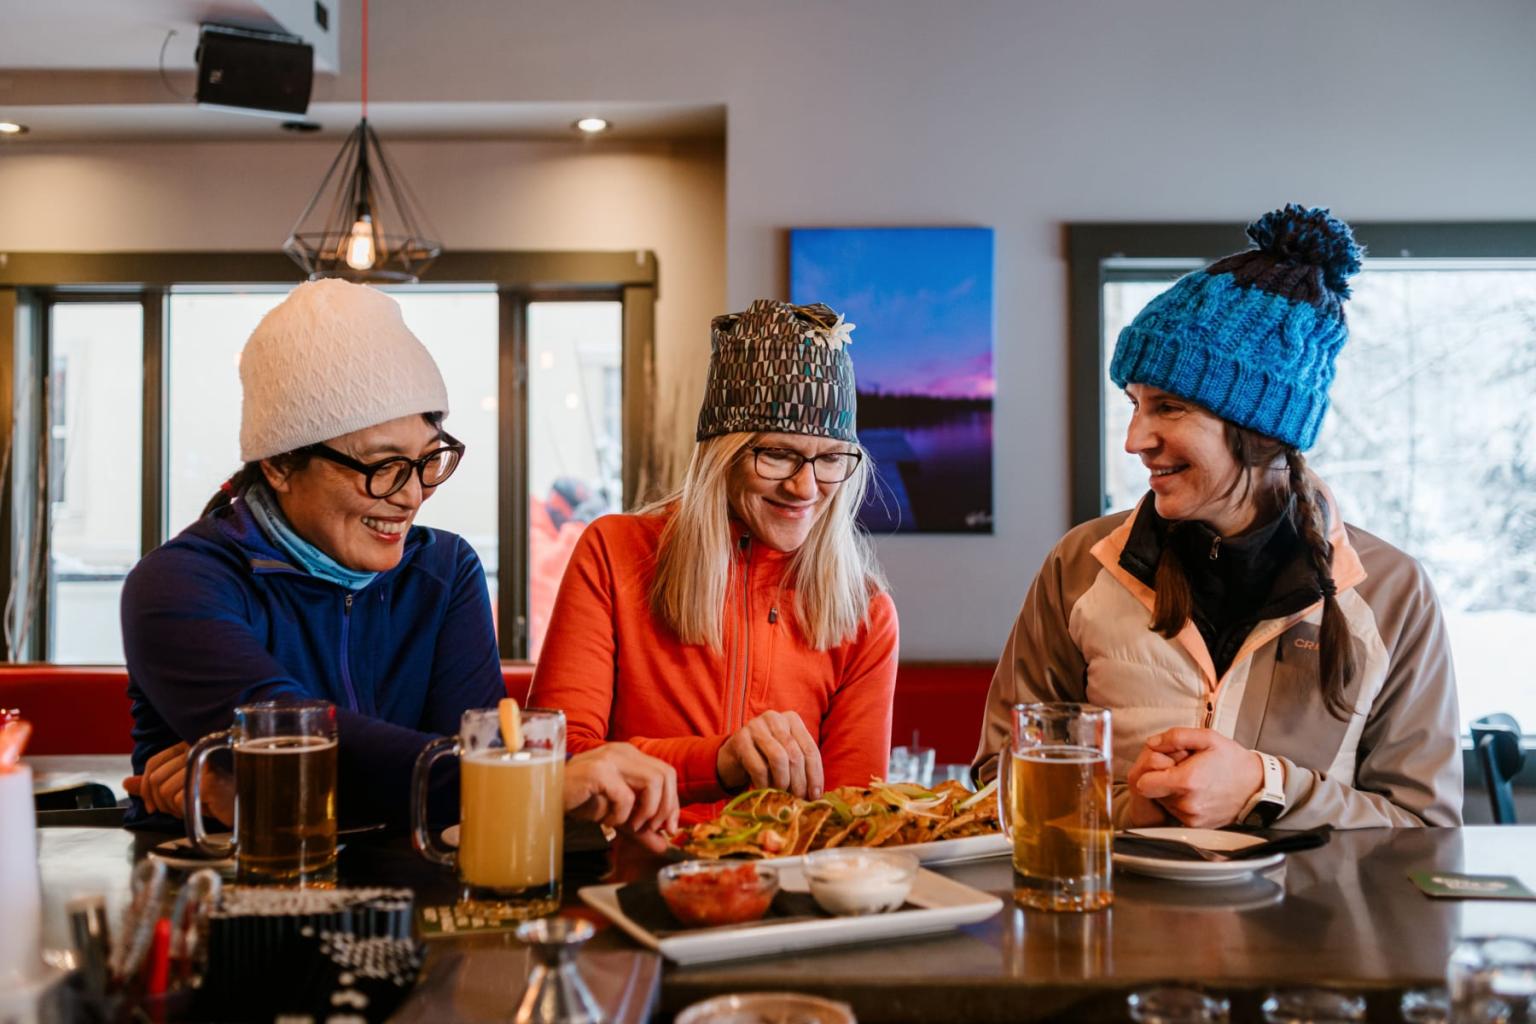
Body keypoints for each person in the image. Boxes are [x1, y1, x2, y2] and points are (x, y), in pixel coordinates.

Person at [122, 279, 678, 843]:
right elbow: (290, 734)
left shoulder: (443, 569)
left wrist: (266, 795)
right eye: (382, 465)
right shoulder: (178, 586)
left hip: (418, 897)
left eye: (426, 461)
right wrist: (528, 784)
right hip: (227, 900)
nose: (412, 495)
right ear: (279, 465)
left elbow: (464, 772)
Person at [974, 206, 1462, 829]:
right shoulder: (1080, 565)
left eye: (1169, 407)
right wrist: (1136, 806)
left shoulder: (1392, 593)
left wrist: (1269, 787)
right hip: (1109, 924)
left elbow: (1427, 832)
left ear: (1260, 427)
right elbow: (999, 778)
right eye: (1134, 404)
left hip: (1309, 927)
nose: (1134, 439)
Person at [529, 299, 898, 817]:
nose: (805, 486)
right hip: (625, 887)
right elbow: (557, 763)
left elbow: (850, 824)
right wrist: (719, 761)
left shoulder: (865, 613)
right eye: (777, 453)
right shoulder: (613, 555)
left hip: (786, 893)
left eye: (831, 458)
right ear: (722, 453)